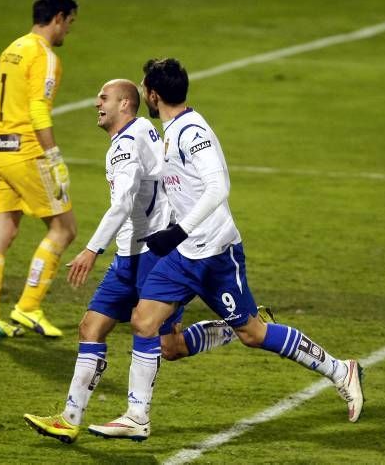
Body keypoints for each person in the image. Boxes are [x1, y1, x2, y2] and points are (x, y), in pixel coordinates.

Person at [87, 58, 365, 441]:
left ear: (153, 94)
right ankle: (137, 416)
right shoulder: (168, 131)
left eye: (143, 87)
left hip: (217, 252)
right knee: (147, 325)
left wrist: (177, 230)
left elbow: (219, 188)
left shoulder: (191, 131)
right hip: (182, 255)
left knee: (253, 332)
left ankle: (340, 369)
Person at [22, 79, 237, 444]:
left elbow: (122, 203)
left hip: (152, 257)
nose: (96, 104)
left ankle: (235, 328)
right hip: (129, 257)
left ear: (125, 104)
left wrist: (92, 249)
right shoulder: (146, 132)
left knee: (171, 347)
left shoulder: (125, 146)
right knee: (91, 327)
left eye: (103, 98)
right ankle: (69, 418)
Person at [0, 0, 78, 339]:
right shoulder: (45, 56)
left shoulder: (12, 49)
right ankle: (28, 307)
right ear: (58, 18)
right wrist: (52, 156)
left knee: (1, 233)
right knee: (64, 228)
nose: (68, 31)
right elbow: (37, 110)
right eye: (69, 23)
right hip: (26, 153)